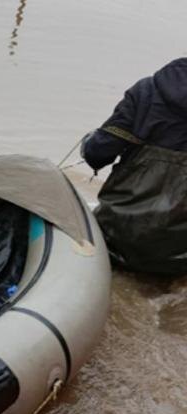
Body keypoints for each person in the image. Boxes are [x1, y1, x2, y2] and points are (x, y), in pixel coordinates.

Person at [81, 58, 187, 274]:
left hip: (115, 238)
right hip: (179, 255)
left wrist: (89, 142)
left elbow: (97, 154)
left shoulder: (146, 91)